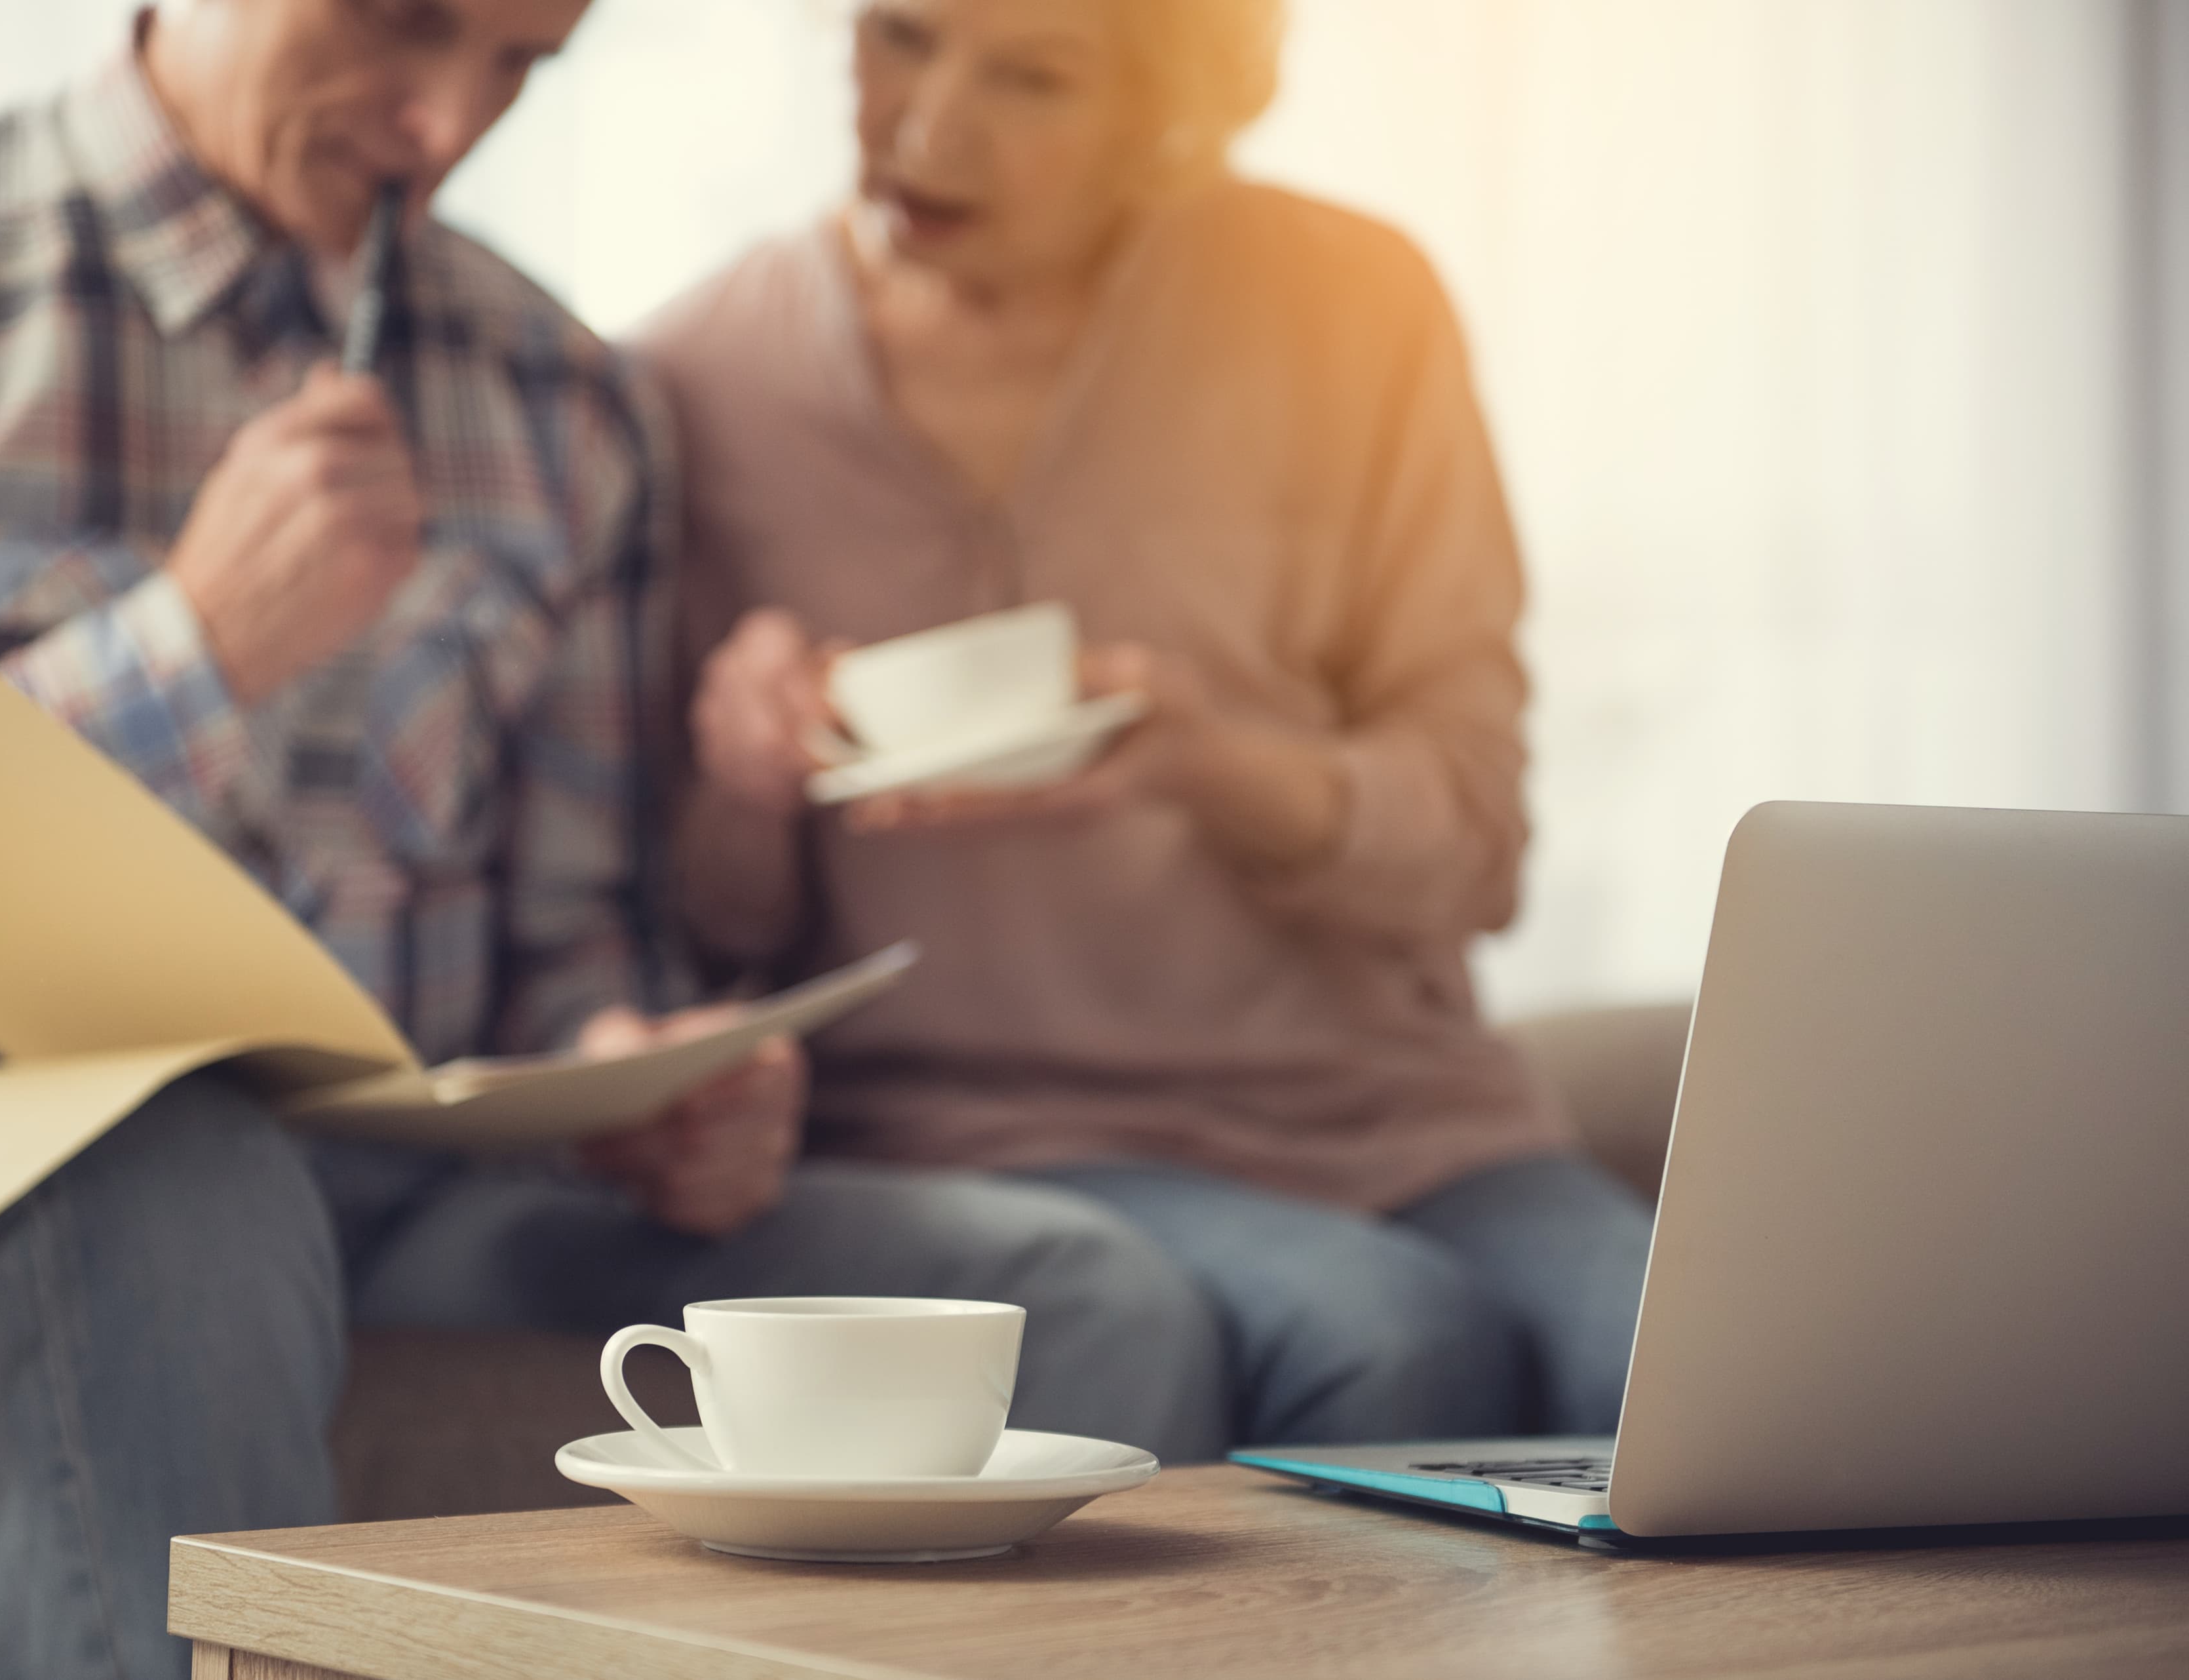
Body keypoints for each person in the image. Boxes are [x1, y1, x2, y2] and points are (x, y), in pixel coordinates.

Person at [0, 3, 1228, 1677]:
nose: (440, 124)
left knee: (1089, 1298)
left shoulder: (561, 399)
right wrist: (186, 654)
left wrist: (645, 1069)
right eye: (408, 21)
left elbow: (578, 946)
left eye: (517, 64)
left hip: (416, 1178)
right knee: (182, 1183)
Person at [644, 0, 1655, 1453]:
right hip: (980, 1140)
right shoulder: (696, 379)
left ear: (1168, 113)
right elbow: (697, 941)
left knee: (1703, 1398)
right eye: (898, 35)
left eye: (1034, 79)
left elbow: (1478, 843)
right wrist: (743, 783)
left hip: (1398, 1120)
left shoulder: (1351, 309)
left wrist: (1215, 768)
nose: (928, 126)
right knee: (1396, 1342)